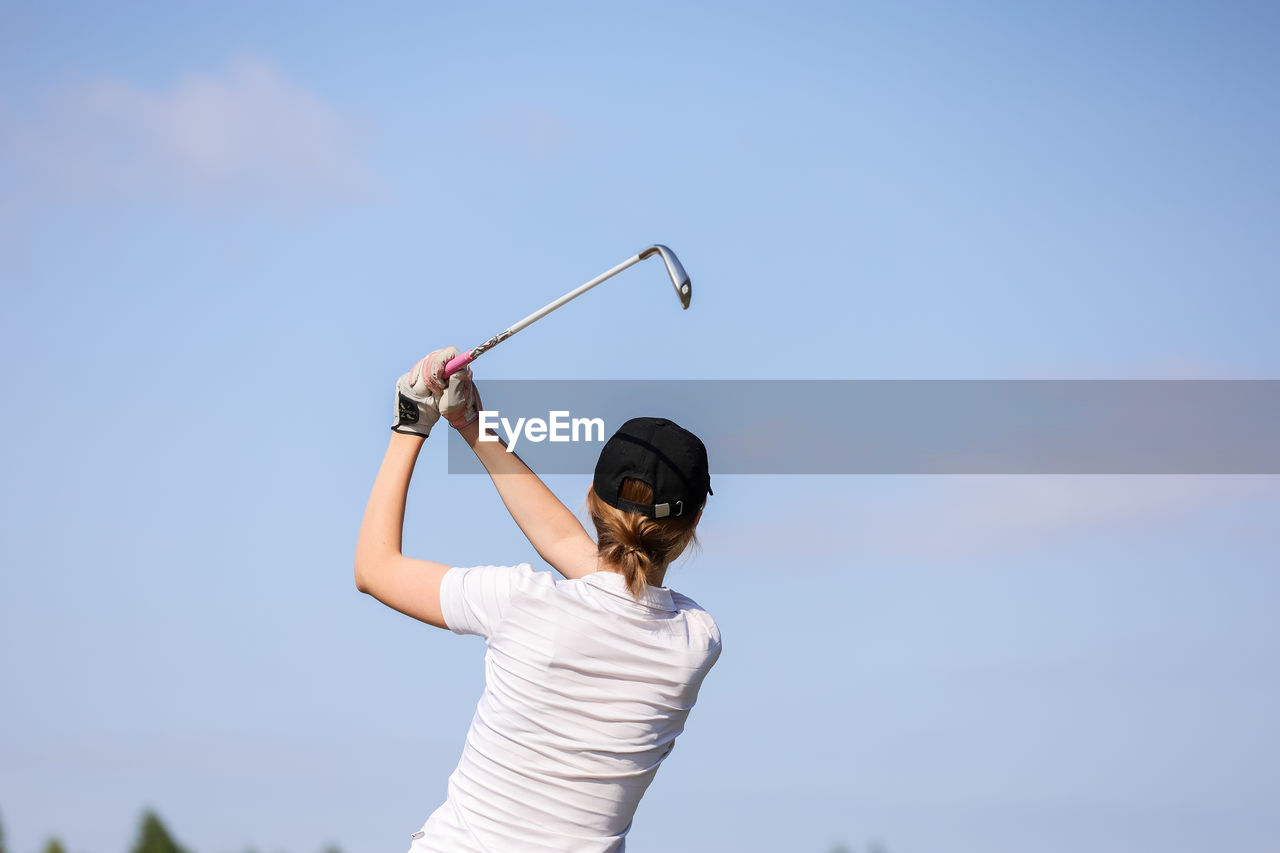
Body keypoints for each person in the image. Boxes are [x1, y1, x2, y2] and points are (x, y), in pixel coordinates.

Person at [355, 347, 721, 853]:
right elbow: (591, 566)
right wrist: (471, 425)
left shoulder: (519, 603)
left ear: (591, 496)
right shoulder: (696, 640)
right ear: (694, 521)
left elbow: (374, 569)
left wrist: (411, 425)